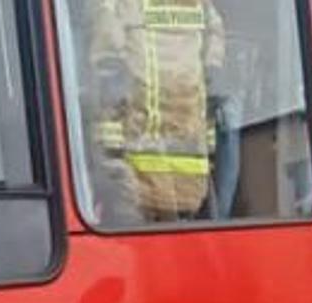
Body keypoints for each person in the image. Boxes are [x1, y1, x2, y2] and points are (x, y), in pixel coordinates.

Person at [81, 0, 226, 224]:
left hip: (135, 182)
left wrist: (109, 162)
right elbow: (212, 77)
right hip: (190, 179)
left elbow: (107, 78)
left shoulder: (113, 5)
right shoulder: (201, 7)